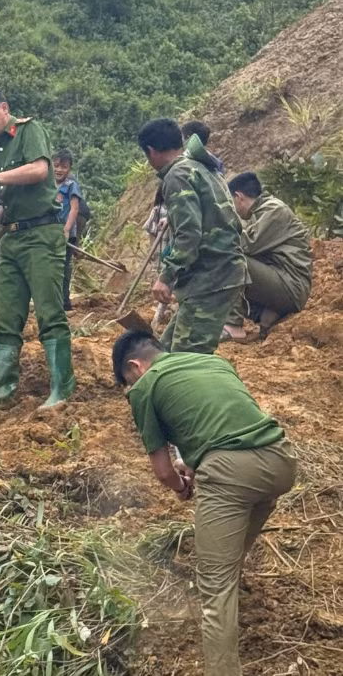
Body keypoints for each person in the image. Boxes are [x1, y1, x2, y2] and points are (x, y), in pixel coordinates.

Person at [112, 330, 297, 676]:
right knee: (230, 551)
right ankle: (234, 594)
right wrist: (196, 467)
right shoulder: (212, 362)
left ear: (134, 367)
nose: (130, 387)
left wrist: (181, 485)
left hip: (232, 471)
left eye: (126, 381)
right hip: (281, 461)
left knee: (213, 582)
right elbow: (223, 424)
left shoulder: (144, 386)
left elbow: (163, 471)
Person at [0, 88, 74, 411]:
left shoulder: (28, 131)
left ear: (4, 108)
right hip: (11, 238)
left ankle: (61, 389)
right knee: (6, 316)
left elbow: (40, 170)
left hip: (42, 233)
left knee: (49, 312)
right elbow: (2, 203)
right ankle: (2, 390)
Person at [137, 118, 246, 354]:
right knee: (165, 351)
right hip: (217, 273)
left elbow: (189, 234)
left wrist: (165, 277)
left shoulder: (176, 176)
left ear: (151, 151)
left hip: (212, 277)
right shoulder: (199, 165)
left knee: (187, 357)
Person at [222, 172, 312, 342]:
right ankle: (266, 314)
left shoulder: (274, 210)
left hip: (291, 285)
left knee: (231, 259)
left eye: (230, 203)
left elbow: (244, 246)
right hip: (281, 279)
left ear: (238, 196)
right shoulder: (260, 212)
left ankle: (233, 325)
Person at [53, 149, 86, 311]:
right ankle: (52, 299)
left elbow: (74, 209)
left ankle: (64, 302)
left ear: (69, 169)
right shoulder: (48, 184)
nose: (59, 169)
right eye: (56, 166)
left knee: (63, 267)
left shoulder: (71, 185)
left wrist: (66, 230)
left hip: (65, 233)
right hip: (50, 232)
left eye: (64, 167)